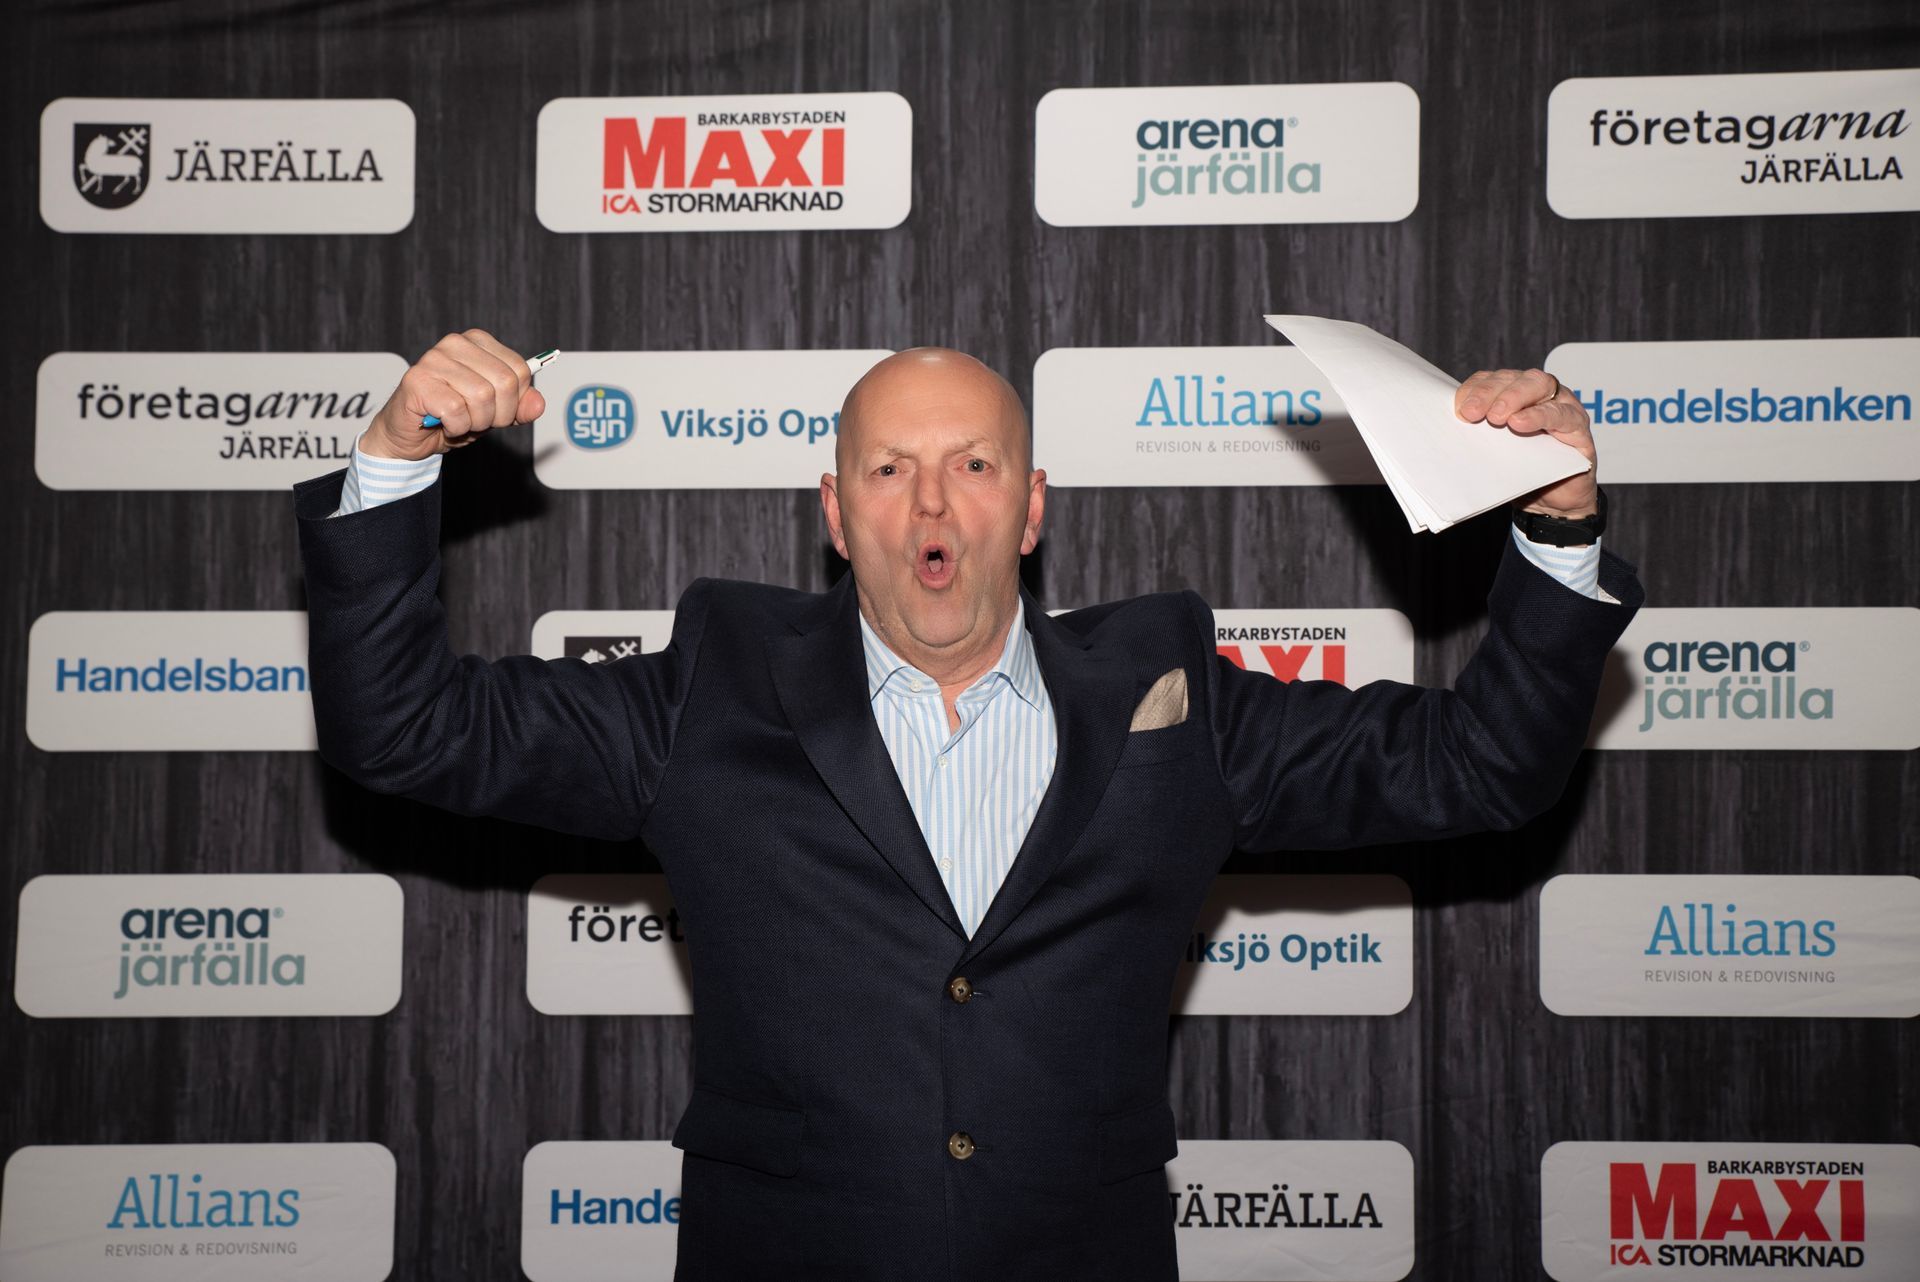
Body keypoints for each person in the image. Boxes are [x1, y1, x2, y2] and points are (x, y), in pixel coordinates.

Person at [293, 330, 1641, 1280]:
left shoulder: (1168, 688)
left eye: (975, 465)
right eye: (888, 469)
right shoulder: (712, 685)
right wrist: (398, 460)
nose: (931, 500)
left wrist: (1557, 524)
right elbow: (403, 730)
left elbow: (1482, 764)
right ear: (837, 513)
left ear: (1032, 506)